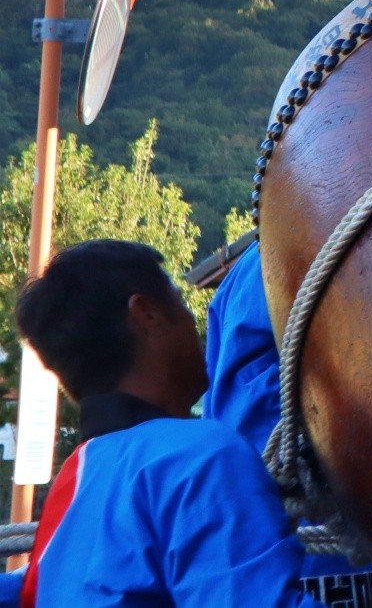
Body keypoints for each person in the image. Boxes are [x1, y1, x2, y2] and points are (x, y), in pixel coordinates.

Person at [15, 240, 322, 607]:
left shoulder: (74, 481)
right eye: (179, 301)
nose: (193, 320)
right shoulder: (199, 457)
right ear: (146, 314)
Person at [203, 238, 372, 603]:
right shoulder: (275, 263)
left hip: (359, 548)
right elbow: (254, 425)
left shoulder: (263, 267)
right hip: (311, 551)